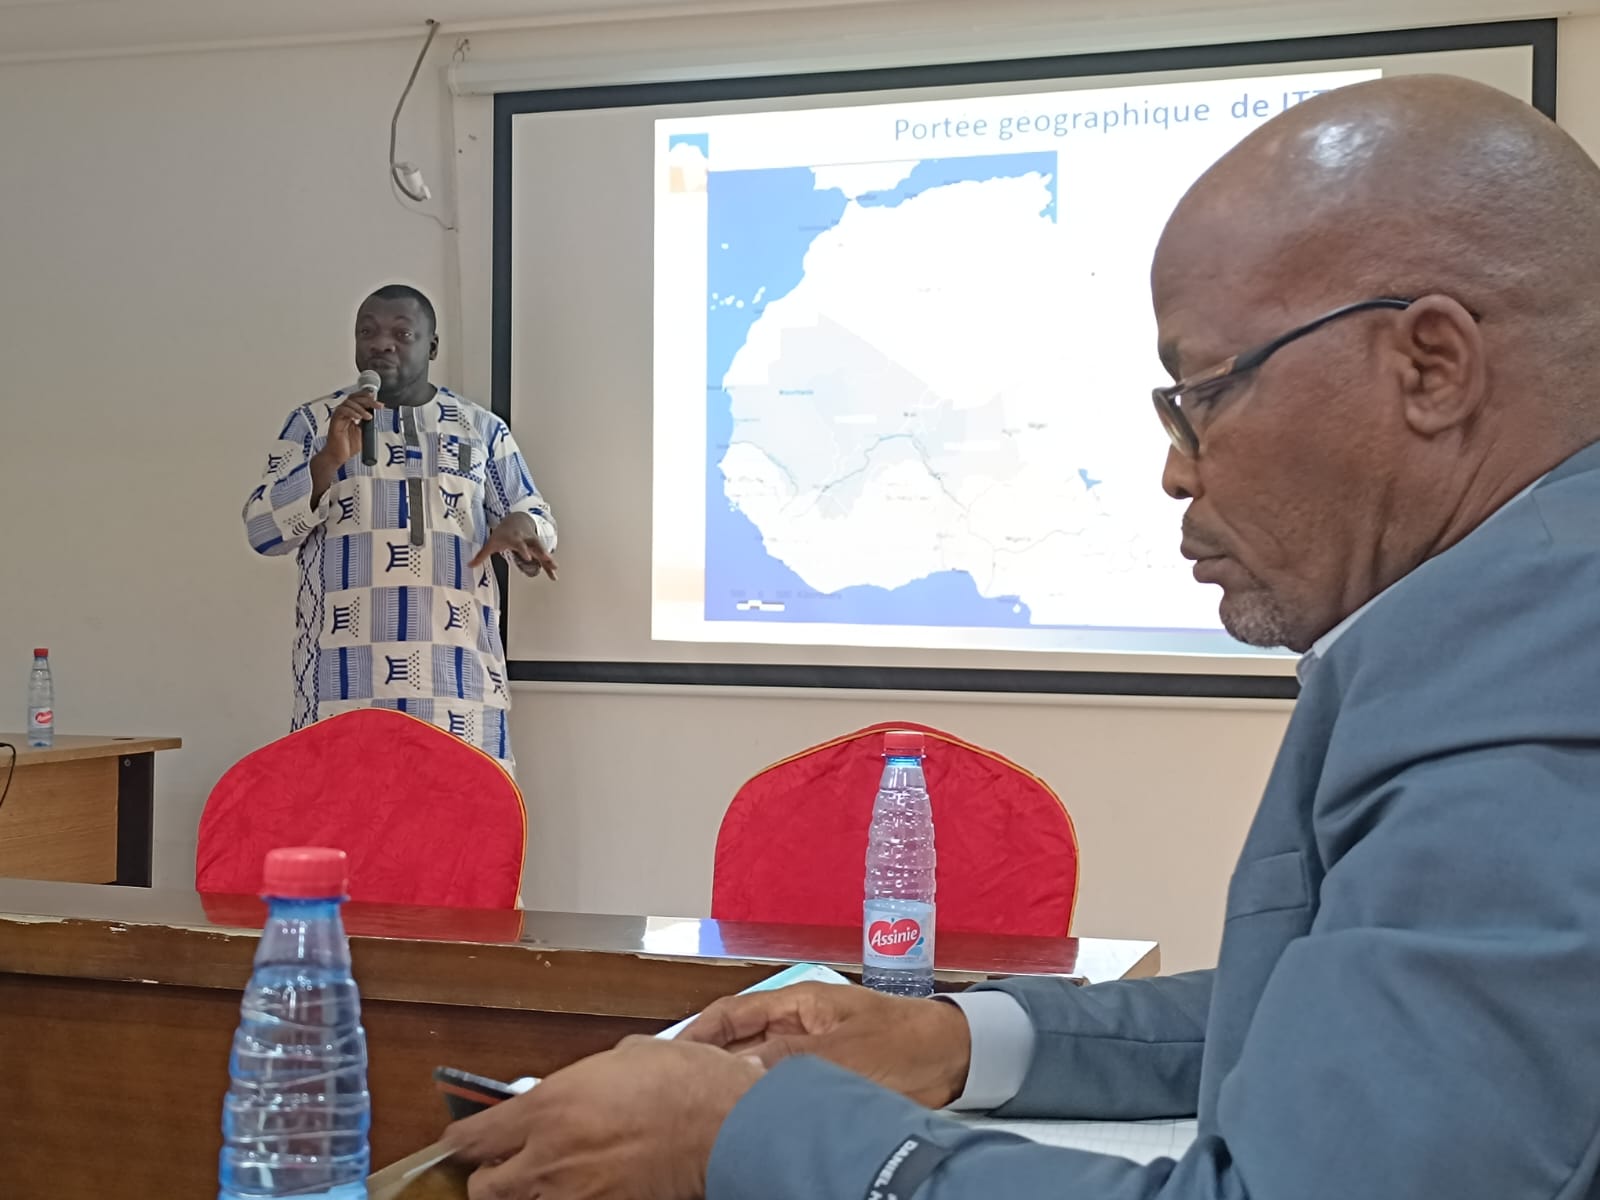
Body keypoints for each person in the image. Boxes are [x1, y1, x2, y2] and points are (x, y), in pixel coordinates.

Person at [441, 74, 1600, 1199]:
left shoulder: (1531, 681)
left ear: (1430, 366)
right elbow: (1336, 1012)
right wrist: (951, 1038)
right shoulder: (1525, 609)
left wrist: (743, 1136)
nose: (1174, 467)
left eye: (1203, 391)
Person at [244, 284, 555, 768]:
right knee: (342, 828)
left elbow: (535, 519)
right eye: (366, 331)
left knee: (461, 834)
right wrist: (328, 460)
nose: (380, 343)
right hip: (342, 685)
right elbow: (261, 530)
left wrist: (522, 526)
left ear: (431, 347)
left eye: (401, 332)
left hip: (458, 689)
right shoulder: (312, 423)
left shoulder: (481, 428)